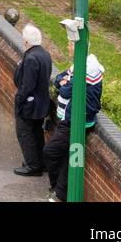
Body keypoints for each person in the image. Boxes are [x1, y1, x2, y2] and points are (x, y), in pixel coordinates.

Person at [43, 43, 104, 202]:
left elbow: (64, 90)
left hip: (76, 122)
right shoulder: (80, 64)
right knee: (66, 157)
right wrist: (64, 81)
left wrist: (65, 82)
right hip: (71, 119)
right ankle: (60, 193)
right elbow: (58, 80)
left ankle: (57, 187)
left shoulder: (87, 68)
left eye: (70, 45)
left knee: (51, 151)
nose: (68, 47)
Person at [13, 24, 53, 177]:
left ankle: (32, 165)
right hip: (41, 103)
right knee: (36, 133)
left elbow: (27, 85)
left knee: (24, 133)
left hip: (29, 105)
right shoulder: (45, 54)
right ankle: (40, 162)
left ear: (27, 42)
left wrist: (19, 99)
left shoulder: (30, 58)